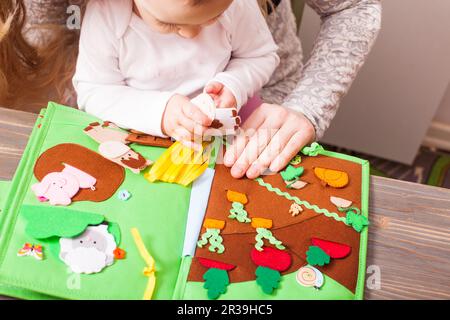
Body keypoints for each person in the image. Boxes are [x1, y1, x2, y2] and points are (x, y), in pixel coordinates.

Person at [0, 0, 382, 178]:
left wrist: (233, 82)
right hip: (132, 123)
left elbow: (263, 56)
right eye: (169, 26)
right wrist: (160, 112)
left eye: (212, 17)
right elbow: (95, 90)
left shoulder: (236, 5)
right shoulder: (107, 16)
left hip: (238, 120)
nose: (191, 34)